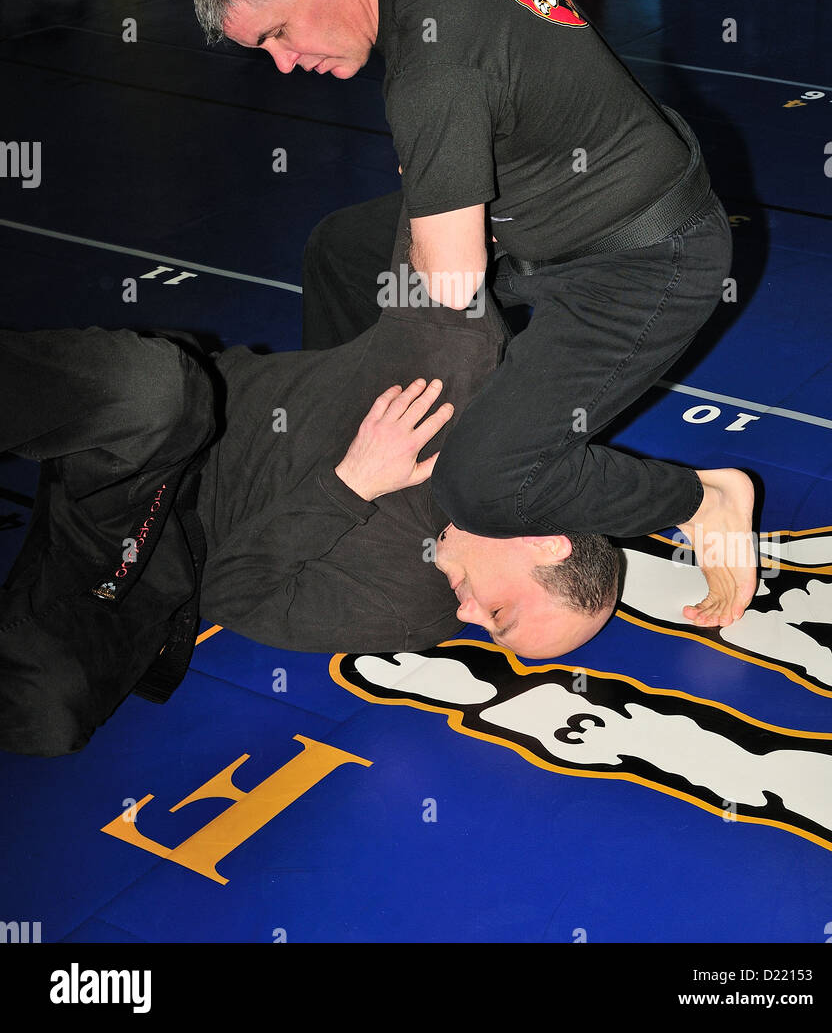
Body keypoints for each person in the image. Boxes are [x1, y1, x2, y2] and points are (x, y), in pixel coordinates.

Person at [192, 0, 758, 631]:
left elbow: (452, 279)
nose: (285, 62)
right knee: (343, 249)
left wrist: (435, 192)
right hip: (547, 215)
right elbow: (518, 41)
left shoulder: (434, 66)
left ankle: (701, 497)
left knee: (482, 485)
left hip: (638, 264)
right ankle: (353, 436)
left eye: (277, 32)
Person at [0, 214, 619, 757]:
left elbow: (228, 595)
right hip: (167, 419)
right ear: (546, 542)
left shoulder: (413, 612)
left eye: (484, 628)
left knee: (45, 716)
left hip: (148, 545)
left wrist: (347, 487)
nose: (466, 615)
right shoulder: (457, 384)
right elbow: (443, 197)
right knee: (156, 391)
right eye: (499, 614)